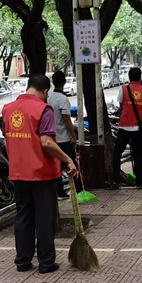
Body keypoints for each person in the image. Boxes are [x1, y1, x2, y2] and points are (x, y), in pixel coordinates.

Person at [2, 74, 78, 274]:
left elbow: (7, 140)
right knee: (44, 217)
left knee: (23, 215)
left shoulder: (8, 109)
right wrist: (68, 160)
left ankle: (23, 261)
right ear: (45, 92)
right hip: (41, 173)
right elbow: (46, 142)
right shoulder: (43, 109)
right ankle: (46, 263)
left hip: (18, 172)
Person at [112, 67, 142, 188]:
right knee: (137, 154)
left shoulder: (123, 89)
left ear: (129, 77)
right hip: (138, 127)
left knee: (117, 152)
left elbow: (121, 105)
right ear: (140, 78)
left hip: (124, 126)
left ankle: (115, 179)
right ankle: (139, 180)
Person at [47, 71, 82, 199]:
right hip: (63, 138)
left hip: (53, 139)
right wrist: (73, 136)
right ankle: (79, 190)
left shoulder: (49, 99)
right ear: (64, 82)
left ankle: (59, 192)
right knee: (72, 163)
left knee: (56, 166)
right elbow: (67, 119)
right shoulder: (63, 99)